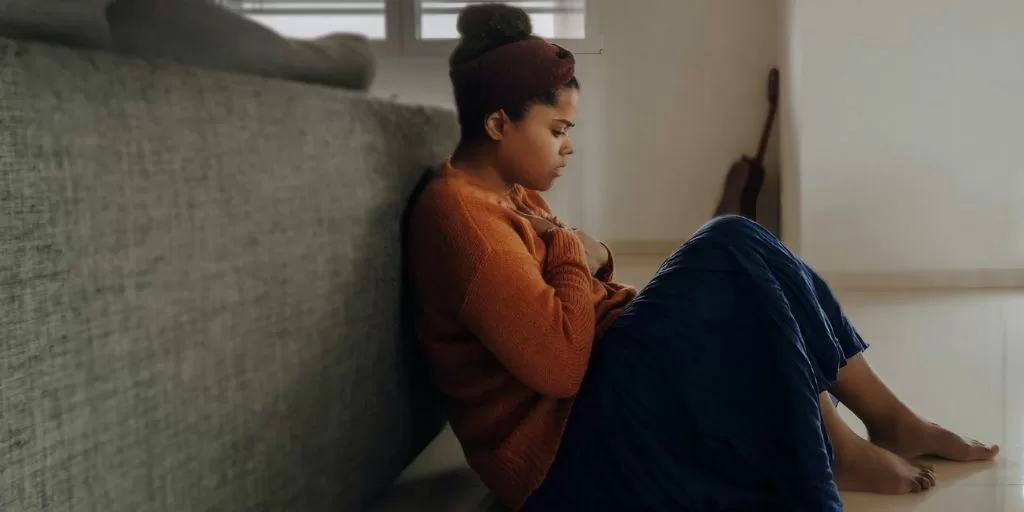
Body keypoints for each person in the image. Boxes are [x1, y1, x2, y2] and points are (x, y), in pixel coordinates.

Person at [405, 4, 998, 511]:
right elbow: (559, 366)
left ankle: (888, 421)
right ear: (497, 123)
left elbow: (580, 277)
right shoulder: (465, 224)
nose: (569, 145)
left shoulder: (505, 189)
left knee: (740, 248)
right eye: (557, 129)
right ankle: (836, 450)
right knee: (729, 248)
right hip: (561, 456)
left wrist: (595, 253)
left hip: (591, 393)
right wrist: (568, 247)